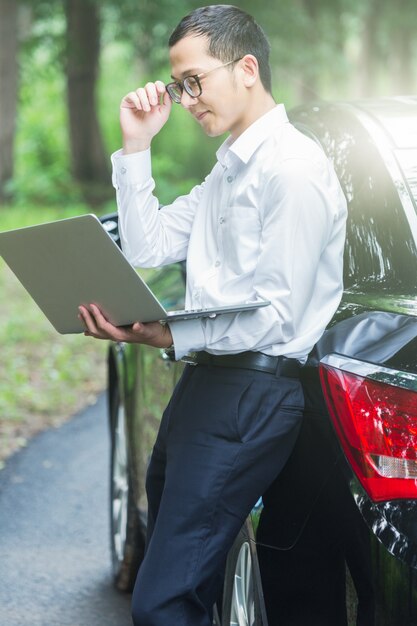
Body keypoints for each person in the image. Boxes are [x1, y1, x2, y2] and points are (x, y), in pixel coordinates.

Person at [78, 5, 347, 625]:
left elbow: (275, 319)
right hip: (207, 382)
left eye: (194, 81)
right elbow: (146, 247)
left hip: (253, 390)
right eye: (179, 85)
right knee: (178, 583)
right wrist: (136, 144)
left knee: (163, 601)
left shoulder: (293, 171)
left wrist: (165, 330)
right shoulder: (229, 172)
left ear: (247, 68)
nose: (186, 99)